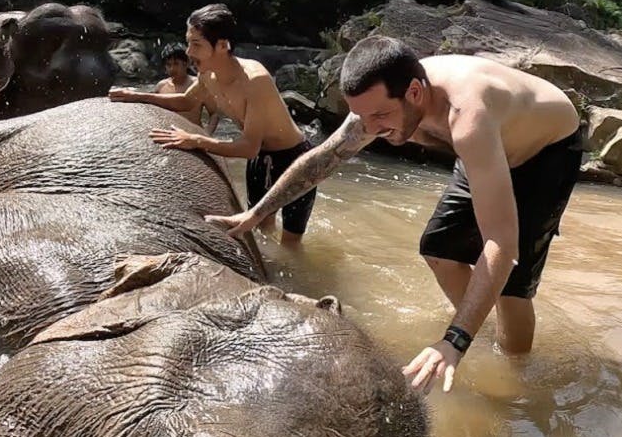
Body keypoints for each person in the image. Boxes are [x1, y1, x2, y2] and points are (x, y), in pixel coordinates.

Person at [206, 35, 583, 394]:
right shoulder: (378, 108)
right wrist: (256, 213)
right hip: (490, 148)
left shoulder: (467, 119)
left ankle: (518, 373)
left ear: (415, 93)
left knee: (513, 283)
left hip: (546, 151)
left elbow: (501, 241)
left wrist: (453, 341)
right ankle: (478, 323)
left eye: (380, 116)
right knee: (438, 249)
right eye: (362, 117)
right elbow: (322, 160)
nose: (372, 130)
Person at [109, 4, 315, 245]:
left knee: (290, 246)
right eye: (188, 43)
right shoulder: (208, 75)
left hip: (294, 160)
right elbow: (186, 101)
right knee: (260, 231)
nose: (189, 52)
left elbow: (248, 147)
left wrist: (196, 140)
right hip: (261, 160)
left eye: (196, 44)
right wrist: (137, 96)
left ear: (222, 45)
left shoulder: (254, 79)